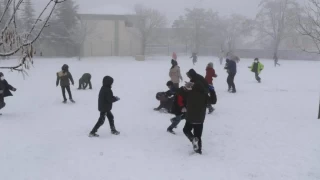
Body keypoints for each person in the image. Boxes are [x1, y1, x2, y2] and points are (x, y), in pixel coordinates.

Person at [183, 70, 208, 154]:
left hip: (191, 115)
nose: (189, 78)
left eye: (189, 76)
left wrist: (186, 89)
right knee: (198, 134)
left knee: (186, 130)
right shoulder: (196, 80)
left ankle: (193, 139)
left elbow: (185, 93)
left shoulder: (196, 83)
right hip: (200, 116)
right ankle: (198, 150)